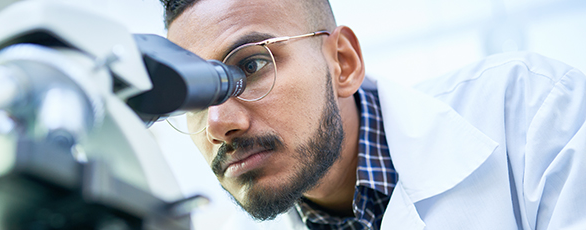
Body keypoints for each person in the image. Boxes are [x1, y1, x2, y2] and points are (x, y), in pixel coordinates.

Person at [160, 0, 586, 229]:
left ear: (342, 62)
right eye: (193, 96)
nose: (218, 123)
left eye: (250, 66)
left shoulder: (530, 109)